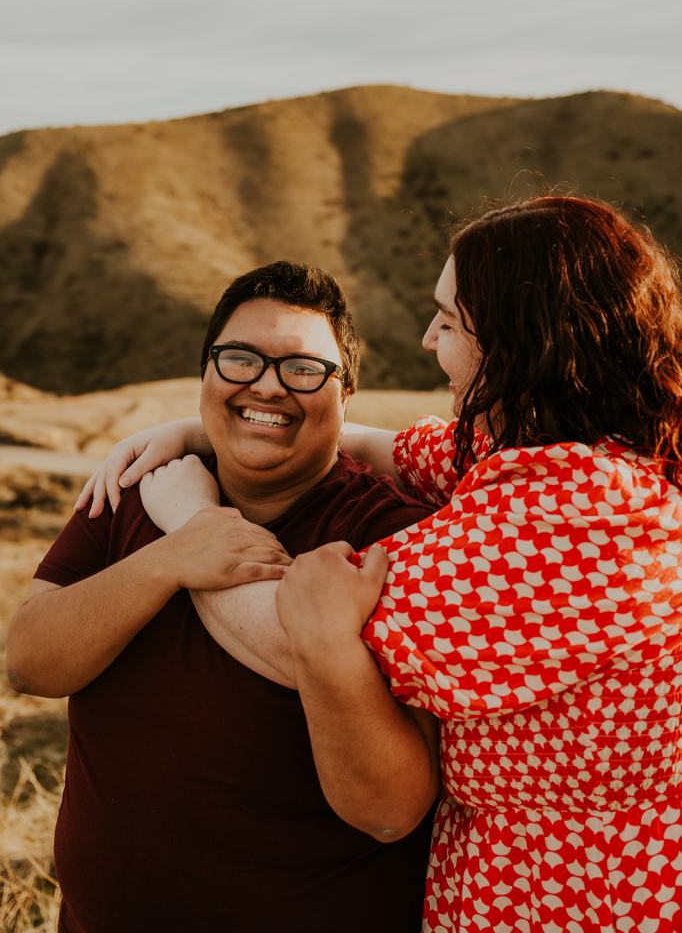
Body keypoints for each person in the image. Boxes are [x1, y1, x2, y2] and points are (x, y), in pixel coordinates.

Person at [85, 195, 682, 933]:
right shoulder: (549, 451)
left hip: (584, 894)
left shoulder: (568, 521)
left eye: (452, 322)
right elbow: (386, 445)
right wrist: (206, 425)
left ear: (521, 345)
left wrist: (192, 519)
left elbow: (292, 632)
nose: (430, 338)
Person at [6, 262, 441, 933]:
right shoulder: (137, 487)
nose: (265, 384)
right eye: (240, 359)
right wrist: (173, 558)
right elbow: (31, 663)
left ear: (346, 393)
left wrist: (200, 536)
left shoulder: (396, 534)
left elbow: (390, 807)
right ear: (206, 374)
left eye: (302, 368)